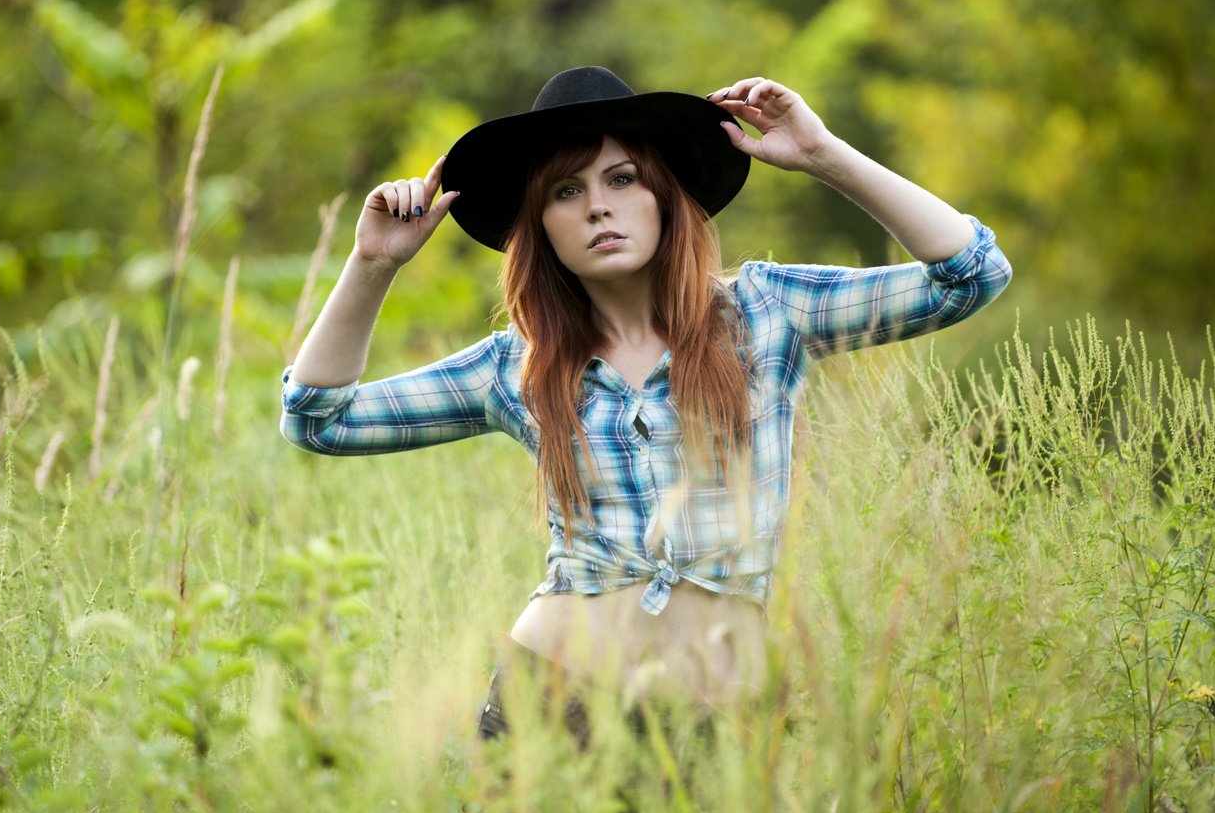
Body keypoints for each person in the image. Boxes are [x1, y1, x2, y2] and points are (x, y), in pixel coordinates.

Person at [279, 66, 1012, 753]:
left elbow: (971, 273)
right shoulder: (518, 368)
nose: (597, 204)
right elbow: (318, 419)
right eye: (566, 192)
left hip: (728, 715)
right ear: (542, 228)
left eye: (622, 179)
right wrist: (373, 265)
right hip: (555, 703)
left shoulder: (767, 313)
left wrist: (823, 156)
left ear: (662, 195)